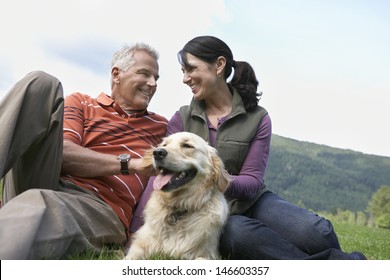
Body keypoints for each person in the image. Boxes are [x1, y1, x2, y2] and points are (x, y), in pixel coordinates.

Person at [131, 35, 366, 260]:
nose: (185, 78)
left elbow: (252, 181)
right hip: (204, 208)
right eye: (183, 71)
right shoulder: (182, 117)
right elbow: (161, 174)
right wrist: (135, 230)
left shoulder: (257, 117)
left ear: (219, 65)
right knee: (240, 236)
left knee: (317, 233)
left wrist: (213, 177)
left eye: (191, 68)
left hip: (252, 201)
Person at [0, 43, 167, 259]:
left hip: (98, 205)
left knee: (38, 205)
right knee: (41, 82)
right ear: (116, 74)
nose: (152, 84)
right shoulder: (80, 103)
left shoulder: (162, 127)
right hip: (47, 179)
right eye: (144, 74)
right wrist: (129, 164)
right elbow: (65, 155)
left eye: (156, 78)